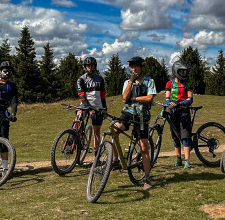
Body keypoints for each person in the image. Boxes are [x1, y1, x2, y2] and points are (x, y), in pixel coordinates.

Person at [115, 56, 157, 190]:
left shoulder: (149, 81)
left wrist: (134, 98)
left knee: (144, 147)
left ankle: (147, 178)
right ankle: (114, 159)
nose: (133, 69)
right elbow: (124, 98)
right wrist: (131, 83)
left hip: (142, 115)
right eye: (132, 67)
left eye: (136, 66)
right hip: (128, 112)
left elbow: (150, 98)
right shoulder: (128, 81)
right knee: (114, 131)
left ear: (142, 67)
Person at [165, 61, 194, 168]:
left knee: (185, 136)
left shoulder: (187, 84)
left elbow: (190, 99)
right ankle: (178, 159)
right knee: (175, 136)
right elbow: (167, 99)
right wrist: (169, 103)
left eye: (185, 72)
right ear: (176, 72)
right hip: (173, 112)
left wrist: (180, 103)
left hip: (184, 112)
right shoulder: (170, 84)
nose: (184, 74)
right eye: (182, 71)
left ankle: (187, 160)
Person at [76, 56, 107, 154]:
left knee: (96, 131)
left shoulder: (100, 79)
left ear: (95, 66)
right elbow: (81, 95)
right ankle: (74, 138)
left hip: (98, 106)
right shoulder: (81, 79)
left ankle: (96, 154)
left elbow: (102, 96)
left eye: (92, 65)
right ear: (85, 67)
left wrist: (105, 108)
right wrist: (89, 109)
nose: (90, 67)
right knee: (78, 118)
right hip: (85, 105)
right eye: (88, 66)